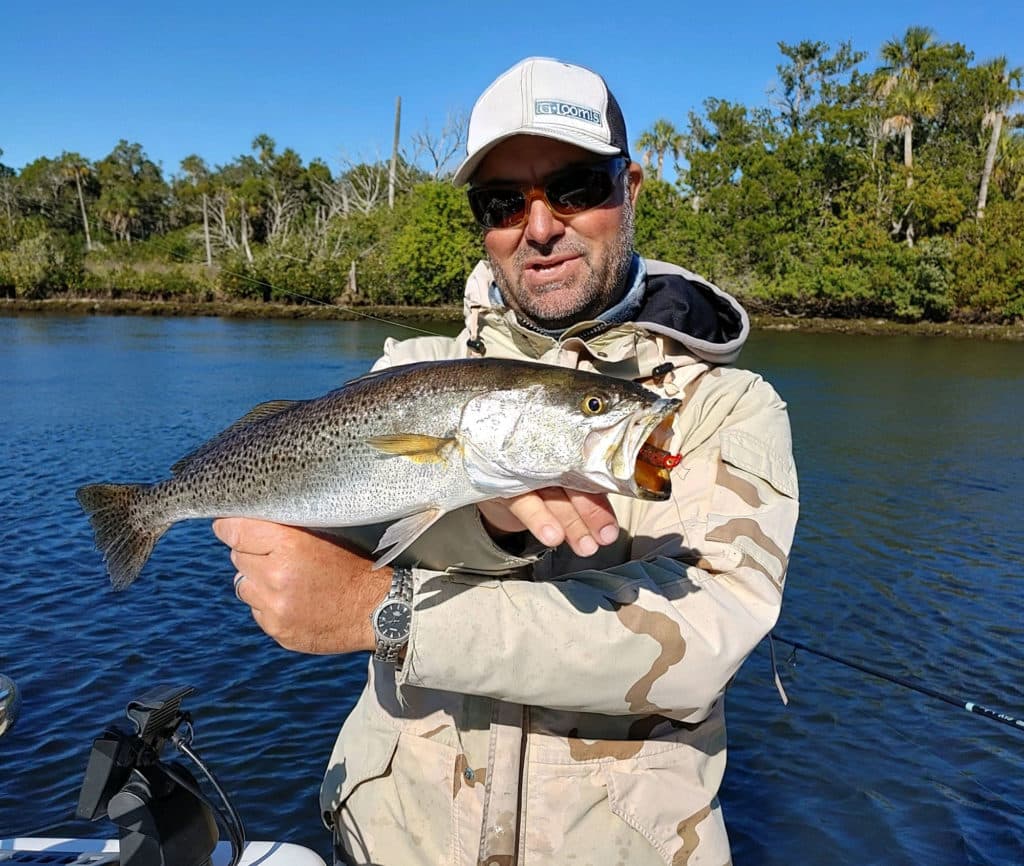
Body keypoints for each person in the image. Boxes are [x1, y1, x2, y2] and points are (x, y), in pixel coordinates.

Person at [214, 56, 799, 866]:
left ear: (630, 187)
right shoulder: (404, 371)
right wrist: (483, 522)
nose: (540, 225)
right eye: (502, 202)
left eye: (575, 187)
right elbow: (330, 550)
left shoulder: (726, 409)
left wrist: (383, 613)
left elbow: (701, 640)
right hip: (390, 842)